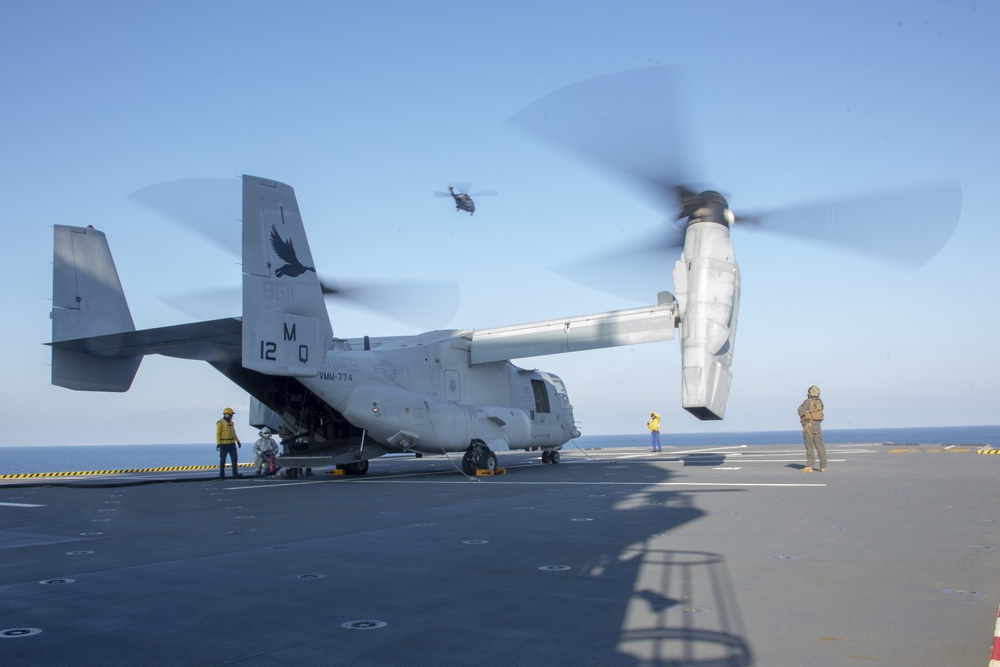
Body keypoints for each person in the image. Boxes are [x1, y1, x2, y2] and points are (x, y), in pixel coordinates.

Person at [797, 386, 826, 472]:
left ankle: (810, 466)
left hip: (808, 426)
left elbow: (800, 412)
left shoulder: (807, 402)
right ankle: (823, 466)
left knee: (809, 447)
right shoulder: (820, 402)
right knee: (820, 447)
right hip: (817, 426)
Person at [216, 407, 243, 479]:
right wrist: (218, 443)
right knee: (223, 460)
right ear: (227, 414)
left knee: (234, 459)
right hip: (224, 444)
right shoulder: (220, 423)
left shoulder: (231, 423)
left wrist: (238, 441)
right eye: (231, 415)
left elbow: (234, 433)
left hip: (232, 443)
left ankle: (235, 474)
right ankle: (222, 475)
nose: (232, 416)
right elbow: (218, 433)